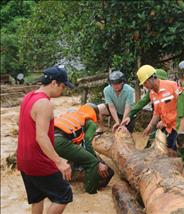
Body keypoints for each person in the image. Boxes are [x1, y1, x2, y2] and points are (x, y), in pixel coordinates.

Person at [17, 66, 74, 214]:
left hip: (24, 159)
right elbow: (41, 137)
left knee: (37, 197)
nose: (63, 90)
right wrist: (59, 161)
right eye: (62, 86)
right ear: (54, 83)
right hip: (38, 160)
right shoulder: (45, 104)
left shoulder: (28, 97)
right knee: (64, 195)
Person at [54, 103, 114, 194]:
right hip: (59, 141)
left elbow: (77, 147)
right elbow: (87, 143)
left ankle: (67, 181)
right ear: (95, 114)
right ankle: (90, 193)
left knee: (78, 157)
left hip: (46, 140)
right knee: (92, 163)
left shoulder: (74, 115)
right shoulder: (90, 123)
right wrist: (97, 162)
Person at [122, 65, 179, 155]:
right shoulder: (152, 93)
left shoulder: (172, 86)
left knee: (177, 153)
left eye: (145, 83)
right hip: (169, 129)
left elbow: (183, 107)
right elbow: (157, 113)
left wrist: (164, 122)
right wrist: (150, 126)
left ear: (152, 78)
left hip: (180, 127)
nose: (144, 86)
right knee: (170, 152)